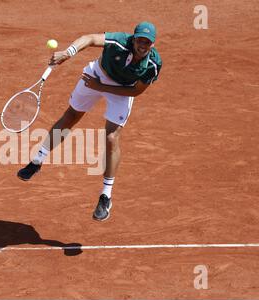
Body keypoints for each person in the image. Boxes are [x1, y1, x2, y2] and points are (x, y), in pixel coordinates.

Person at [17, 22, 162, 222]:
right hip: (97, 74)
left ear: (152, 44)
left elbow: (135, 91)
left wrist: (101, 87)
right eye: (139, 40)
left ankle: (106, 196)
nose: (142, 45)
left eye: (147, 42)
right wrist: (69, 52)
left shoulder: (154, 64)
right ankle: (36, 161)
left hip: (121, 90)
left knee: (112, 137)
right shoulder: (120, 41)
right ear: (134, 38)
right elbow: (90, 38)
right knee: (71, 116)